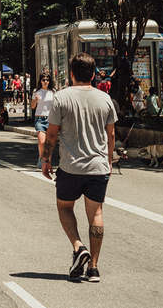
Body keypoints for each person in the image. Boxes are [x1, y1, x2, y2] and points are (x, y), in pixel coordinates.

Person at [41, 52, 117, 283]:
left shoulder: (61, 98)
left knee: (65, 208)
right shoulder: (104, 98)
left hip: (70, 167)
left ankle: (78, 246)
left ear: (71, 74)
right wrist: (109, 160)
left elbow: (52, 133)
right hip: (98, 167)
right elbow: (111, 134)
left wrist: (46, 160)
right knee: (96, 214)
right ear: (94, 74)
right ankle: (93, 267)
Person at [30, 73, 56, 165]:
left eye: (47, 80)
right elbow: (33, 107)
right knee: (42, 141)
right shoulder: (36, 92)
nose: (46, 82)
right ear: (40, 81)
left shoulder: (53, 91)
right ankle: (41, 158)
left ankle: (48, 161)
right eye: (44, 80)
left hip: (50, 119)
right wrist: (35, 100)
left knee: (49, 143)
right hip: (40, 118)